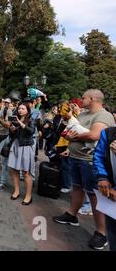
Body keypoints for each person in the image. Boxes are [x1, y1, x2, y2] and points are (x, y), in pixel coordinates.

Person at [53, 89, 115, 250]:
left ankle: (101, 233)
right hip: (76, 157)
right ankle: (72, 215)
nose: (81, 100)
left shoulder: (103, 116)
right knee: (77, 188)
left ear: (93, 98)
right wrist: (69, 139)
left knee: (94, 195)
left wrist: (73, 137)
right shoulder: (83, 114)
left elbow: (95, 135)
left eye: (84, 98)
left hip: (90, 161)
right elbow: (75, 130)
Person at [93, 126, 116, 251]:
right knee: (112, 232)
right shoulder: (109, 133)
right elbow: (98, 155)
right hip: (111, 198)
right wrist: (102, 177)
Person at [8, 102, 36, 205]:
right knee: (14, 170)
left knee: (26, 172)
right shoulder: (15, 120)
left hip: (26, 147)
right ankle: (17, 191)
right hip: (16, 145)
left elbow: (31, 131)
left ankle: (28, 196)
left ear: (27, 110)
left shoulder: (31, 120)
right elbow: (12, 134)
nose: (20, 110)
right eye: (19, 108)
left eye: (23, 108)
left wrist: (20, 123)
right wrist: (12, 129)